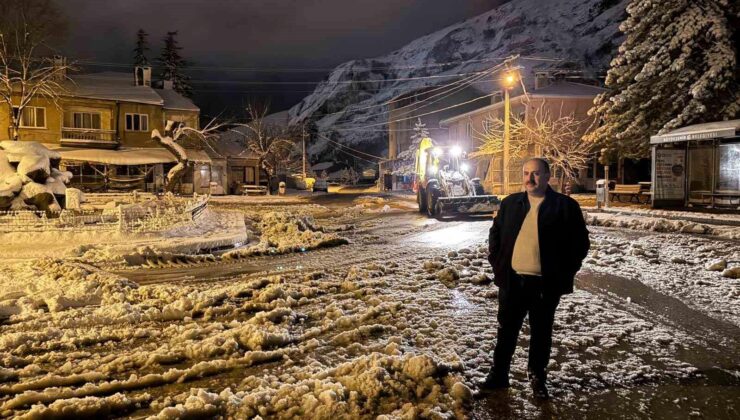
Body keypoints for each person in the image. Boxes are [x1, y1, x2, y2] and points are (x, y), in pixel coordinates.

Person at [483, 158, 590, 399]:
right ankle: (499, 375)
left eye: (536, 174)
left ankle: (537, 377)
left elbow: (580, 244)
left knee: (541, 333)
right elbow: (496, 233)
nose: (530, 179)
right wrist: (497, 262)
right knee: (506, 331)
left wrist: (565, 272)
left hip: (545, 285)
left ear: (548, 176)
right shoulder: (511, 204)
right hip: (513, 282)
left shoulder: (565, 207)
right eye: (526, 173)